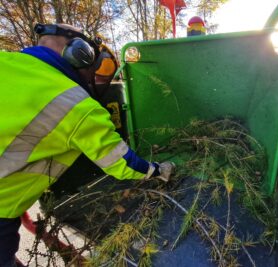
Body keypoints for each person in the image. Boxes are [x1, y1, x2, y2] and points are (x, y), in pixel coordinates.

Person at [0, 23, 175, 267]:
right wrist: (157, 169)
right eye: (101, 69)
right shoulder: (76, 104)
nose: (99, 80)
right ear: (81, 53)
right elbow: (123, 164)